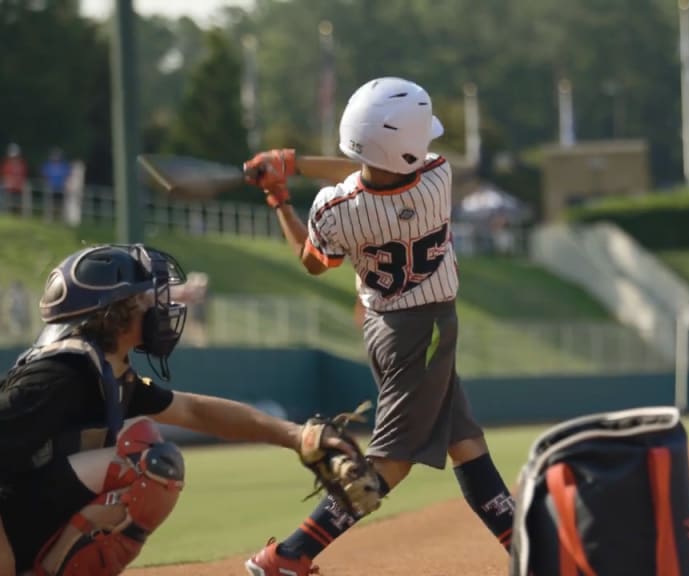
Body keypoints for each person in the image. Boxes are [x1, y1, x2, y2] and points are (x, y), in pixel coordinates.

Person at [242, 77, 515, 576]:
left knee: (465, 442)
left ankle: (528, 551)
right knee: (390, 463)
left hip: (385, 330)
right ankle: (290, 555)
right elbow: (386, 164)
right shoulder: (438, 179)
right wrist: (297, 162)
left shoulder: (333, 209)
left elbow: (313, 261)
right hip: (426, 332)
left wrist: (281, 195)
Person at [0, 244, 354, 575]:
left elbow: (196, 411)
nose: (160, 306)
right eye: (145, 298)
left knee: (148, 448)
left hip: (26, 513)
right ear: (114, 314)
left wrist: (295, 436)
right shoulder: (58, 378)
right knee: (141, 466)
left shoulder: (105, 372)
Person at [1, 143, 27, 215]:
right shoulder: (7, 164)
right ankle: (6, 212)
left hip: (18, 188)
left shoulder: (21, 165)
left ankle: (17, 214)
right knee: (7, 203)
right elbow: (4, 176)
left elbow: (23, 176)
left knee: (17, 204)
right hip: (9, 188)